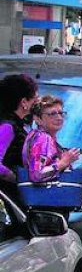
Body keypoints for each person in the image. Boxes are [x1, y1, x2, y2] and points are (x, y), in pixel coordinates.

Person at [24, 96, 80, 183]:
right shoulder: (42, 138)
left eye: (61, 113)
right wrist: (64, 162)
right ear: (38, 119)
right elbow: (37, 174)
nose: (59, 118)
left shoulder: (37, 135)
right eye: (52, 114)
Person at [0, 74, 38, 202]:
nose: (37, 103)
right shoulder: (7, 126)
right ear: (24, 103)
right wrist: (17, 178)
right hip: (8, 197)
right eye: (34, 99)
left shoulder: (21, 124)